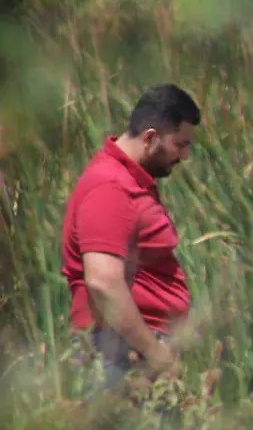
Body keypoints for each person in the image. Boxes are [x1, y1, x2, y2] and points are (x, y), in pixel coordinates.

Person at [60, 83, 201, 390]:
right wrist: (156, 354)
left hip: (133, 349)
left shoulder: (130, 181)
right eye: (180, 144)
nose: (185, 155)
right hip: (118, 353)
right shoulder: (111, 187)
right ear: (150, 138)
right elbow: (103, 281)